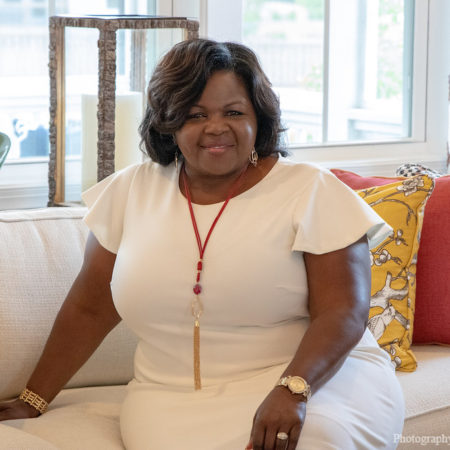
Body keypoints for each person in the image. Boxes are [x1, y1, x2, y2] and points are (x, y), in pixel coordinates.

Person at [0, 39, 404, 449]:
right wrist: (33, 399)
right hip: (169, 399)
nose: (216, 127)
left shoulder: (312, 190)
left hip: (313, 383)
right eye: (195, 115)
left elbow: (343, 312)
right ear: (169, 122)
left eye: (234, 112)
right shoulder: (130, 191)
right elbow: (89, 309)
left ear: (259, 118)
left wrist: (293, 390)